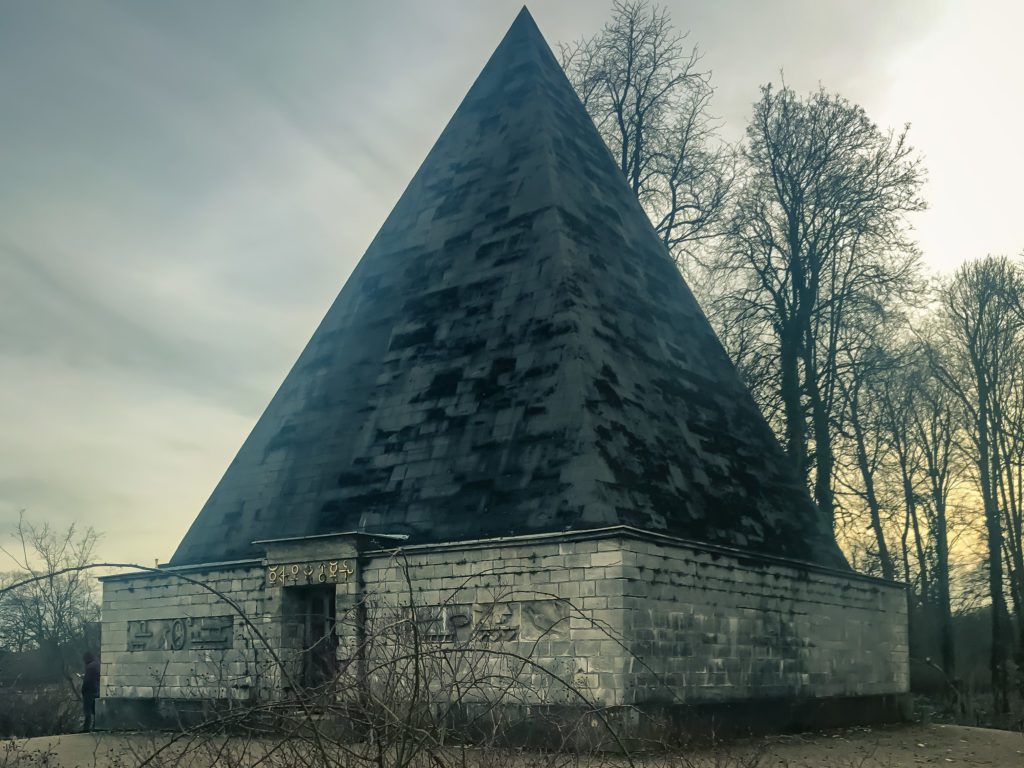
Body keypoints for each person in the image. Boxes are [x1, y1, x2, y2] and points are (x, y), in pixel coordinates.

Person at [81, 651, 100, 732]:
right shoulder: (97, 665)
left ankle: (86, 729)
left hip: (89, 692)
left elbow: (87, 681)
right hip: (96, 690)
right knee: (95, 710)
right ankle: (96, 726)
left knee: (87, 711)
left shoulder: (90, 667)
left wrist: (83, 690)